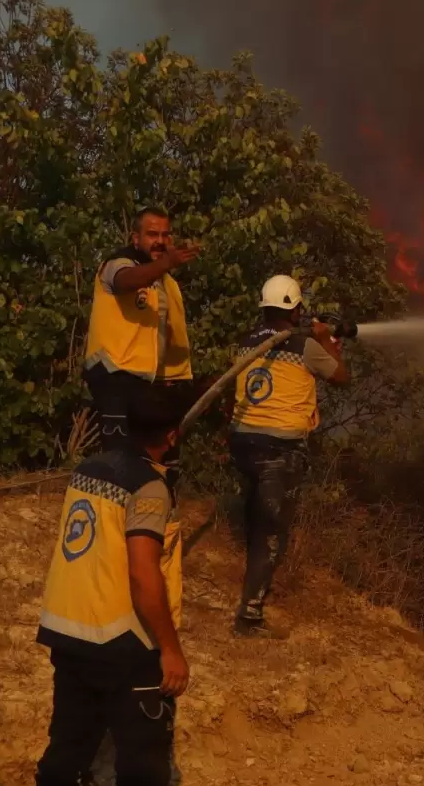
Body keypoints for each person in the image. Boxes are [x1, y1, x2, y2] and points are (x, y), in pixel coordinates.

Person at [31, 387, 198, 786]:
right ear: (171, 436)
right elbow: (143, 573)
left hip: (70, 629)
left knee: (67, 744)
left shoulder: (88, 469)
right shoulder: (148, 488)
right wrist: (169, 648)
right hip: (124, 639)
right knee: (142, 759)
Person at [82, 205, 200, 603]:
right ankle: (105, 553)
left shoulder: (166, 284)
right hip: (114, 375)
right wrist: (165, 263)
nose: (160, 241)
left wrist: (179, 382)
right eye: (152, 235)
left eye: (165, 235)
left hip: (148, 382)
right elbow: (127, 281)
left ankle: (143, 554)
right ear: (136, 238)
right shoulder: (118, 264)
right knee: (118, 465)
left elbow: (168, 338)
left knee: (152, 466)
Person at [229, 275, 349, 636]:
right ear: (295, 309)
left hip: (243, 442)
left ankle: (253, 585)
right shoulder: (304, 345)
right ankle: (249, 617)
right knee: (271, 531)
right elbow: (341, 376)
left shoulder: (246, 342)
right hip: (279, 448)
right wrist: (328, 341)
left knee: (255, 520)